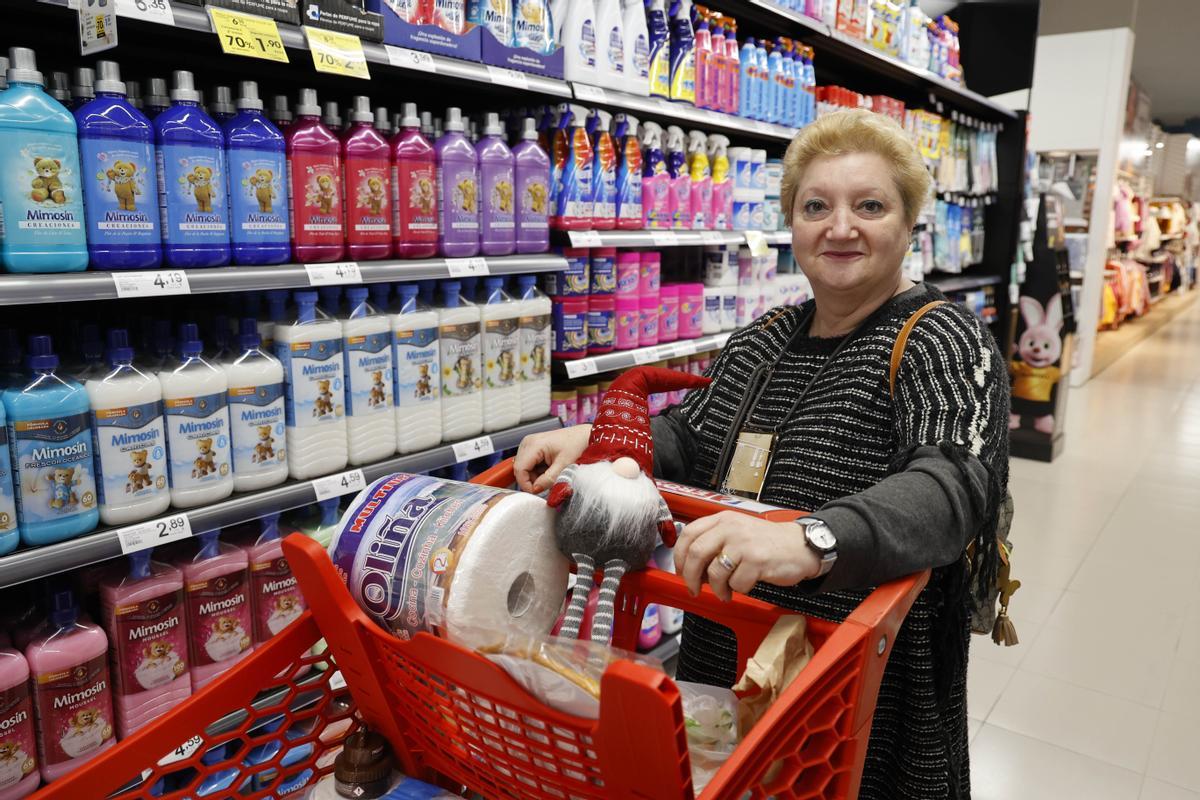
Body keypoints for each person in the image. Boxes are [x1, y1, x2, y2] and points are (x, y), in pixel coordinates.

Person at [515, 108, 1009, 799]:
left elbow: (952, 483)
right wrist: (600, 443)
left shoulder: (941, 339)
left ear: (908, 223)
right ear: (793, 225)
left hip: (864, 690)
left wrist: (813, 539)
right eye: (816, 206)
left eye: (869, 205)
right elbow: (691, 436)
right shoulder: (763, 338)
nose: (840, 227)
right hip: (731, 656)